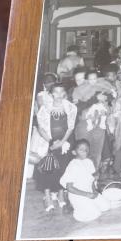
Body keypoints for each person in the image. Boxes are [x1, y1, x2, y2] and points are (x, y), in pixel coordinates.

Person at [33, 82, 78, 211]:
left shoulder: (71, 107)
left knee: (63, 168)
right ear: (51, 94)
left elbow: (70, 127)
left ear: (65, 93)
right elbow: (41, 128)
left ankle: (60, 193)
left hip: (64, 143)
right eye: (55, 92)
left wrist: (62, 142)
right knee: (48, 168)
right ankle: (47, 196)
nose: (58, 95)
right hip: (48, 142)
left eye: (61, 92)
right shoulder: (45, 108)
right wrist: (52, 142)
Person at [60, 139, 111, 222]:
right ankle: (73, 206)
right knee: (94, 214)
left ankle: (88, 204)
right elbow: (69, 188)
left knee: (107, 206)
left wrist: (94, 191)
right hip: (77, 194)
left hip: (89, 191)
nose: (84, 151)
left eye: (86, 150)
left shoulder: (89, 162)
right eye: (81, 149)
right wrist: (87, 194)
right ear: (74, 152)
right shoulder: (73, 165)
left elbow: (91, 180)